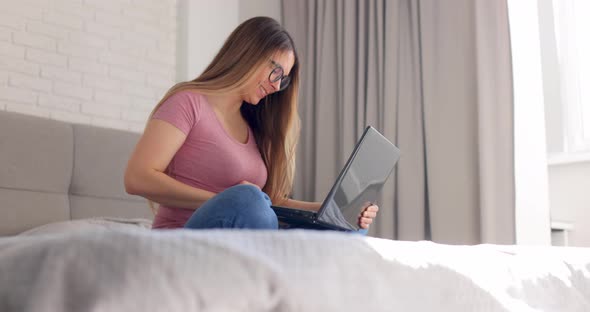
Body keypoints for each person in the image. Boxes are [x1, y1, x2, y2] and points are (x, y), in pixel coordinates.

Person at [124, 16, 379, 232]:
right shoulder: (188, 102)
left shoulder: (254, 124)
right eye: (276, 72)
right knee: (249, 199)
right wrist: (227, 201)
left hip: (244, 234)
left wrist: (333, 211)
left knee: (343, 228)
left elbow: (270, 203)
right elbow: (138, 178)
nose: (277, 86)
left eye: (284, 79)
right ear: (248, 54)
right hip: (183, 237)